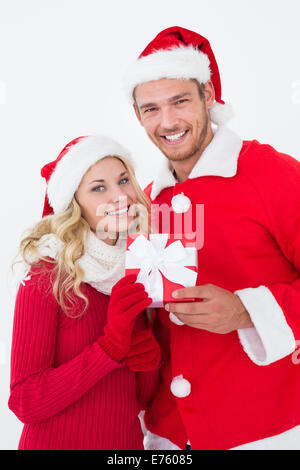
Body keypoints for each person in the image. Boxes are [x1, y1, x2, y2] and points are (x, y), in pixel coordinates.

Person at [122, 26, 300, 450]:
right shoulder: (148, 200)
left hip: (263, 428)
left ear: (208, 96)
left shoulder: (271, 174)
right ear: (137, 115)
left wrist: (245, 311)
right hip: (167, 437)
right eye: (151, 108)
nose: (167, 122)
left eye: (180, 101)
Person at [8, 135, 161, 450]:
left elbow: (139, 401)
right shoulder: (47, 274)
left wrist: (148, 364)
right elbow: (25, 403)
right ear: (74, 204)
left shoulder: (139, 268)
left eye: (123, 180)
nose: (120, 195)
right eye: (99, 187)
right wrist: (107, 350)